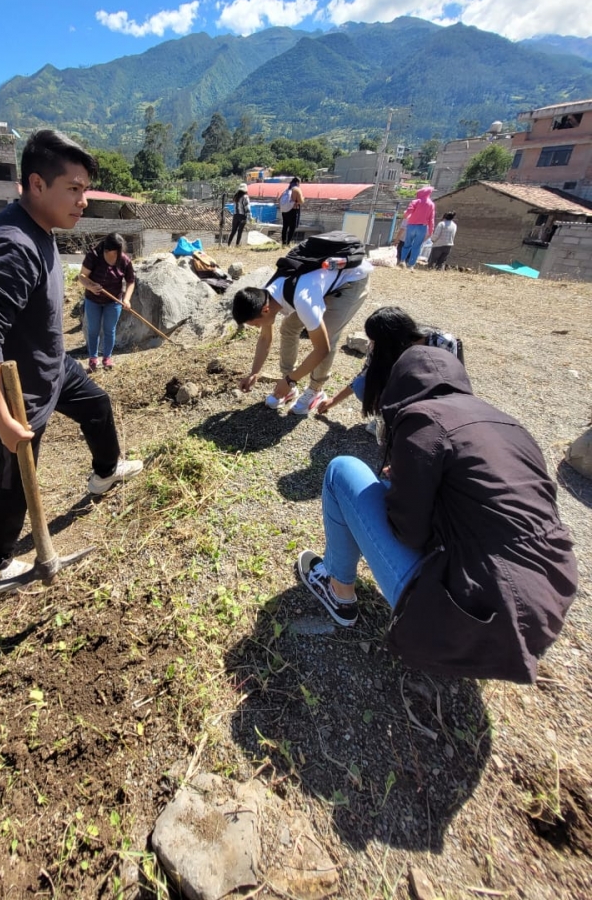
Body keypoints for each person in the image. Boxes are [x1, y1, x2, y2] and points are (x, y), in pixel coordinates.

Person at [297, 345, 577, 682]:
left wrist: (402, 486)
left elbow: (409, 532)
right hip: (547, 605)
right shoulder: (508, 423)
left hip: (472, 611)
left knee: (341, 471)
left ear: (398, 387)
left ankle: (339, 594)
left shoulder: (423, 419)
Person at [0, 129, 143, 585]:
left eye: (86, 190)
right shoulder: (12, 244)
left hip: (53, 365)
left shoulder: (42, 227)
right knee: (15, 478)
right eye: (74, 189)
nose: (83, 201)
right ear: (37, 184)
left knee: (97, 407)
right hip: (17, 389)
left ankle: (106, 472)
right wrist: (3, 416)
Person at [232, 253, 373, 416]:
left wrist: (291, 379)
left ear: (265, 310)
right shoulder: (263, 296)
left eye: (255, 323)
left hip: (352, 280)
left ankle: (315, 390)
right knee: (288, 328)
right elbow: (265, 338)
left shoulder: (303, 300)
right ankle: (288, 388)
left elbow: (322, 349)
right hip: (318, 282)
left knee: (328, 335)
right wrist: (254, 373)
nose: (257, 327)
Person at [318, 306, 462, 423]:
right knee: (362, 385)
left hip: (430, 392)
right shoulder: (378, 348)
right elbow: (365, 375)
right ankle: (390, 420)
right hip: (401, 389)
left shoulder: (441, 342)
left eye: (374, 340)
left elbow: (453, 380)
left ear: (390, 339)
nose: (371, 344)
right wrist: (333, 401)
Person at [79, 232, 135, 371]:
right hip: (93, 300)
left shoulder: (124, 260)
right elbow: (82, 276)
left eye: (120, 251)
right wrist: (90, 286)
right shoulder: (94, 256)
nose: (118, 255)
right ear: (107, 249)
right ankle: (93, 358)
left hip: (113, 301)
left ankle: (107, 358)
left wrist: (127, 299)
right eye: (116, 252)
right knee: (93, 330)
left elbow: (130, 282)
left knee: (110, 330)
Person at [399, 186, 435, 269]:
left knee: (407, 244)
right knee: (417, 246)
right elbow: (431, 219)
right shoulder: (431, 204)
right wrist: (431, 230)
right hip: (422, 227)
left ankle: (402, 260)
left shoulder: (415, 201)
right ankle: (411, 264)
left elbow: (408, 212)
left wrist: (405, 216)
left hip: (411, 225)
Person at [278, 177, 304, 246]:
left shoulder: (287, 190)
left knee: (285, 226)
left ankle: (283, 242)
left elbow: (279, 199)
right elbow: (301, 201)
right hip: (292, 210)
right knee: (292, 227)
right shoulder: (296, 189)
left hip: (284, 211)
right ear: (298, 182)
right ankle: (288, 243)